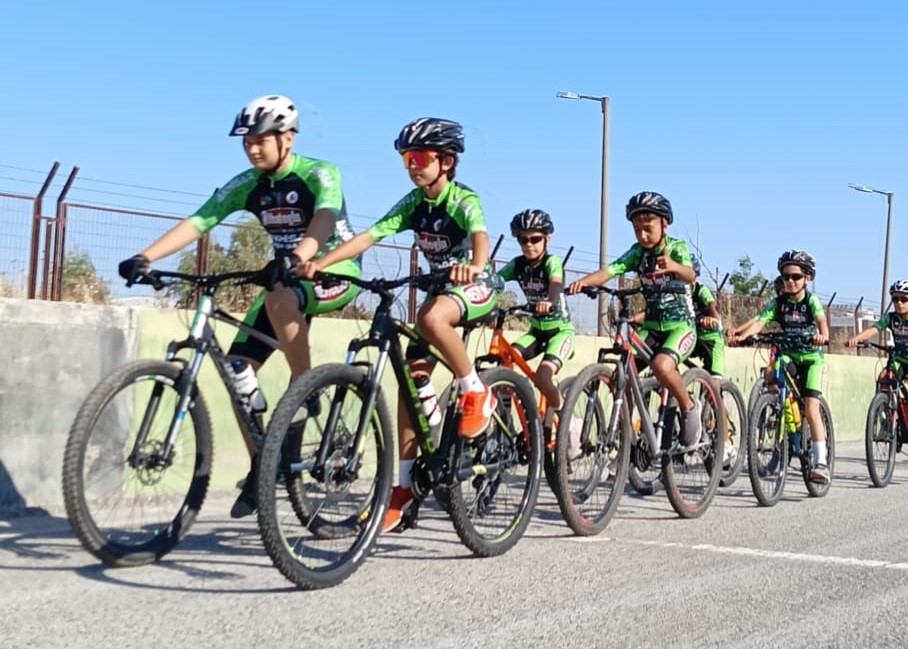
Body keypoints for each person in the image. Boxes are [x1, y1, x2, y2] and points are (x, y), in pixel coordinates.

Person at [117, 94, 361, 518]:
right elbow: (200, 220)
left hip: (331, 271)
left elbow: (323, 217)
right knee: (236, 371)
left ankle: (304, 389)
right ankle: (263, 467)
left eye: (261, 139)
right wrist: (147, 257)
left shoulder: (319, 172)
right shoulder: (248, 184)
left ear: (287, 138)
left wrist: (301, 254)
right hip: (283, 277)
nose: (251, 148)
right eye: (246, 140)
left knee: (280, 293)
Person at [298, 117, 500, 532]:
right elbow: (369, 237)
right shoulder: (412, 203)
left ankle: (476, 391)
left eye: (419, 157)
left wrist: (475, 266)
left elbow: (480, 236)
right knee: (409, 383)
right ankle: (404, 488)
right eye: (407, 157)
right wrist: (322, 262)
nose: (411, 165)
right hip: (438, 293)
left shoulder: (462, 199)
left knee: (430, 316)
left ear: (445, 161)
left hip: (476, 287)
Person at [567, 191, 702, 446]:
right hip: (650, 328)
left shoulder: (676, 248)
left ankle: (689, 406)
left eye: (647, 228)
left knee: (662, 367)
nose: (642, 235)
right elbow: (610, 271)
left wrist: (674, 266)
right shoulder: (637, 253)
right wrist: (583, 282)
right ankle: (628, 436)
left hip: (681, 327)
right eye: (636, 229)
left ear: (665, 223)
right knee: (621, 376)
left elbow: (690, 274)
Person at [730, 250, 831, 483]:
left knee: (812, 409)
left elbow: (822, 323)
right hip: (789, 356)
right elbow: (760, 322)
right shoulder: (779, 302)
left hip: (811, 359)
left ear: (808, 278)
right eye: (786, 276)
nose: (790, 281)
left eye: (796, 276)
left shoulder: (811, 301)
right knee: (770, 372)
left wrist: (823, 336)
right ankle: (775, 409)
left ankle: (821, 462)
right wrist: (743, 336)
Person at [846, 280, 908, 463]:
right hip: (898, 359)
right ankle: (886, 420)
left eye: (904, 299)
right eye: (895, 299)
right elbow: (874, 329)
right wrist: (855, 339)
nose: (899, 303)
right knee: (884, 379)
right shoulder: (890, 318)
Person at [495, 209, 574, 418]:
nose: (529, 244)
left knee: (542, 378)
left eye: (535, 239)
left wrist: (549, 300)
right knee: (505, 363)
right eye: (523, 239)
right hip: (536, 333)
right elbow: (497, 280)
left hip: (560, 332)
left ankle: (568, 422)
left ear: (547, 239)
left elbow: (556, 282)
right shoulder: (518, 264)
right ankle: (506, 421)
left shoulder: (552, 262)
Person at [687, 255, 726, 378]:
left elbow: (712, 306)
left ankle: (714, 394)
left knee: (714, 377)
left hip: (711, 338)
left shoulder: (701, 291)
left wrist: (714, 320)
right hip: (693, 337)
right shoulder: (677, 294)